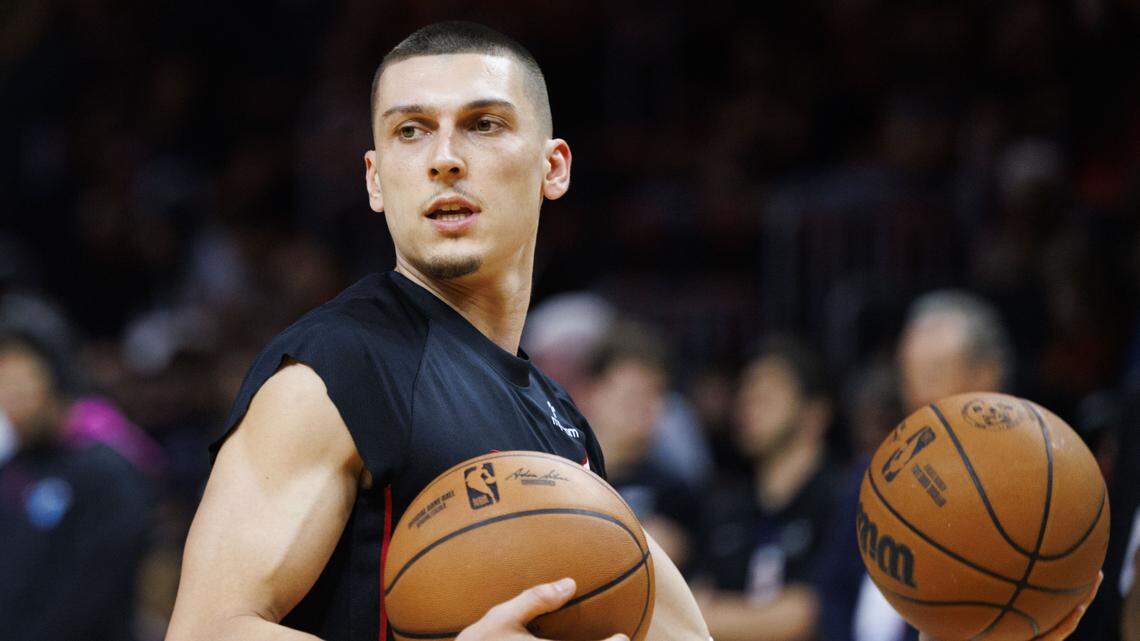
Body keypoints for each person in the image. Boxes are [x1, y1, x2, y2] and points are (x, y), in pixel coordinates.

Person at [164, 21, 707, 641]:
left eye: (484, 124)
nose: (444, 158)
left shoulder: (561, 421)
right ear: (375, 180)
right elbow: (203, 631)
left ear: (553, 168)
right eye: (411, 131)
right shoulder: (337, 366)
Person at [878, 290, 1100, 641]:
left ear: (987, 372)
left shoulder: (1049, 481)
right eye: (907, 377)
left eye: (932, 375)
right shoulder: (880, 474)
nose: (917, 395)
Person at [0, 329, 153, 641]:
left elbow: (96, 588)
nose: (11, 400)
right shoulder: (14, 467)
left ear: (54, 380)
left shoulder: (107, 471)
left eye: (20, 383)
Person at [693, 337, 841, 641]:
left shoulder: (840, 500)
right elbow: (696, 598)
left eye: (768, 395)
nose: (750, 403)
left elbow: (807, 614)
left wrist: (710, 617)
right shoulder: (727, 506)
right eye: (747, 393)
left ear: (814, 415)